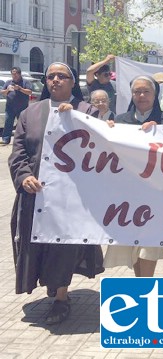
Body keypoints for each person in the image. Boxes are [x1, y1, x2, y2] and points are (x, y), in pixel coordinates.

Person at [8, 62, 104, 325]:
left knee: (63, 247)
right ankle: (51, 287)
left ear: (73, 82)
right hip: (36, 194)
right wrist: (24, 175)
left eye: (62, 76)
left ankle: (61, 297)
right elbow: (18, 150)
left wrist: (76, 120)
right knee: (37, 245)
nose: (56, 80)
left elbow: (102, 148)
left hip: (71, 198)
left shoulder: (88, 112)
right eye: (51, 76)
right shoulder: (31, 113)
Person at [103, 75, 163, 277]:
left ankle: (145, 290)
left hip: (154, 196)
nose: (142, 95)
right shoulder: (120, 122)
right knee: (132, 246)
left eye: (146, 91)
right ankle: (141, 289)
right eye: (137, 92)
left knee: (149, 246)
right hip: (126, 197)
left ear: (155, 95)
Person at [0, 67, 33, 145]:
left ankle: (22, 139)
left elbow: (29, 92)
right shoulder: (8, 82)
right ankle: (5, 139)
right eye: (13, 74)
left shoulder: (25, 82)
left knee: (22, 124)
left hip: (22, 107)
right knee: (8, 122)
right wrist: (7, 90)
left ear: (19, 74)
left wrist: (20, 89)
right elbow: (3, 92)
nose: (14, 76)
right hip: (10, 107)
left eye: (16, 74)